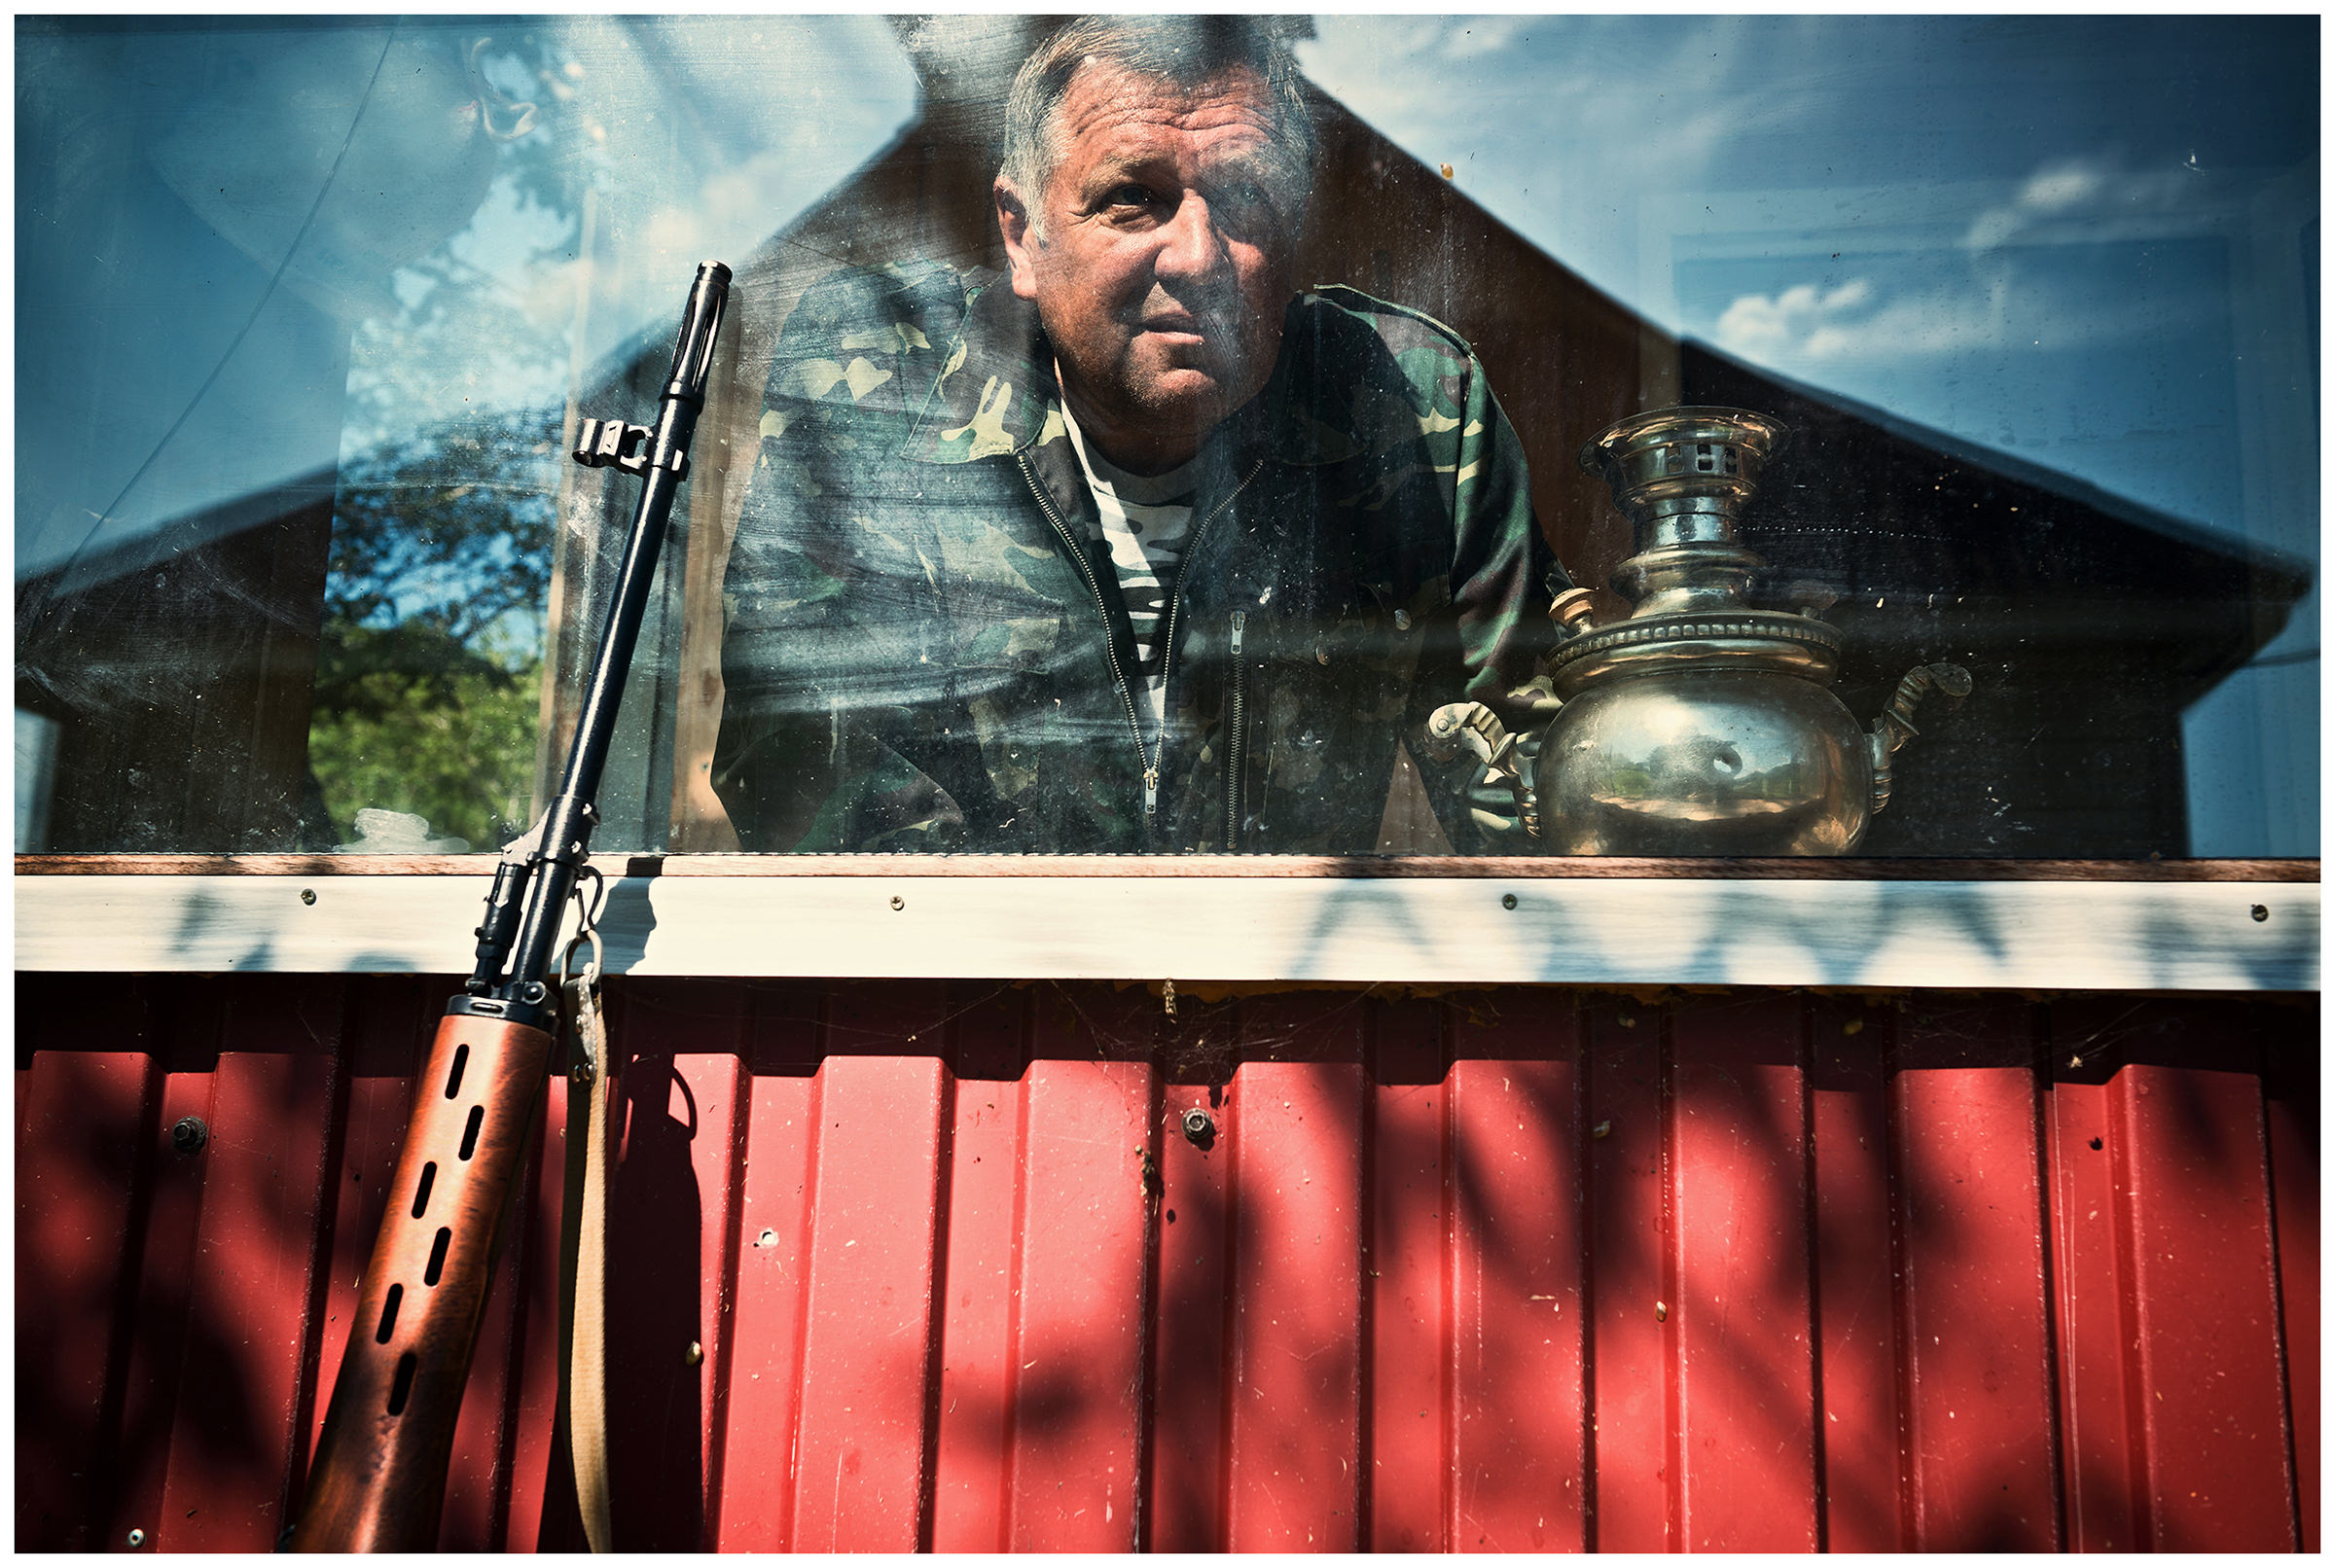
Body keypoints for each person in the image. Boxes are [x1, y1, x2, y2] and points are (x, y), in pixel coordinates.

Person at [713, 16, 1566, 854]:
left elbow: (1544, 791)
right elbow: (800, 766)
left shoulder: (1410, 406)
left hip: (1291, 949)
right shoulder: (876, 381)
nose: (1197, 256)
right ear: (1022, 233)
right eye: (1132, 199)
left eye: (1245, 199)